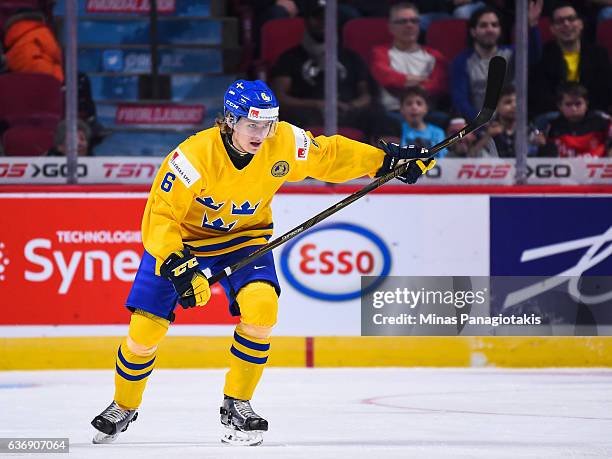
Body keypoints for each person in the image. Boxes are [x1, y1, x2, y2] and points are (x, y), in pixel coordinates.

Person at [89, 80, 435, 446]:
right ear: (229, 121)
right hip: (183, 244)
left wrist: (384, 161)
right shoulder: (192, 157)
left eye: (268, 124)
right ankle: (123, 405)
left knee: (262, 309)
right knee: (145, 333)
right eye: (253, 125)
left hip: (244, 240)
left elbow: (328, 155)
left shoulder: (282, 141)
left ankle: (237, 403)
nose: (262, 133)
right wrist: (177, 262)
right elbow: (160, 216)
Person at [270, 2, 380, 139]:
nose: (323, 23)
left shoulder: (352, 57)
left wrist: (350, 106)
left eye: (327, 19)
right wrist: (316, 105)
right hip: (306, 113)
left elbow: (367, 95)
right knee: (292, 119)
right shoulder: (290, 57)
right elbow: (279, 97)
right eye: (318, 18)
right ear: (307, 20)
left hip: (348, 112)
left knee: (379, 118)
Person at [451, 2, 542, 120]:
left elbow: (535, 57)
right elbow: (461, 101)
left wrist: (533, 25)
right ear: (473, 31)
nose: (490, 30)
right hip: (479, 126)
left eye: (494, 25)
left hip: (514, 123)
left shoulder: (513, 53)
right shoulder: (462, 62)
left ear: (500, 30)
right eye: (484, 25)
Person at [531, 2, 611, 115]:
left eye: (571, 19)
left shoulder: (598, 54)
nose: (566, 24)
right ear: (552, 29)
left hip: (591, 113)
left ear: (581, 24)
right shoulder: (544, 55)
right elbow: (541, 94)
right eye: (560, 21)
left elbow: (603, 92)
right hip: (555, 115)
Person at [370, 2, 448, 114]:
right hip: (392, 113)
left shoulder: (435, 55)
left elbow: (439, 85)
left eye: (414, 21)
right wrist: (421, 81)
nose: (409, 25)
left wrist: (404, 84)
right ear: (390, 27)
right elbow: (387, 79)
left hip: (427, 114)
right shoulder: (380, 52)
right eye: (402, 21)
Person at [538, 83, 612, 158]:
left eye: (578, 104)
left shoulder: (602, 121)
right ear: (560, 106)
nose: (574, 108)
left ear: (586, 104)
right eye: (568, 104)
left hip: (596, 168)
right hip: (564, 168)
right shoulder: (550, 125)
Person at [2, 8, 64, 83]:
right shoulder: (42, 32)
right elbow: (56, 53)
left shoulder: (11, 44)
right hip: (47, 79)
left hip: (21, 84)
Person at [399, 86, 448, 157]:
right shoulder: (398, 131)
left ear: (426, 108)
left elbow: (443, 159)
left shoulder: (437, 133)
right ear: (402, 109)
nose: (414, 107)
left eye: (419, 103)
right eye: (409, 103)